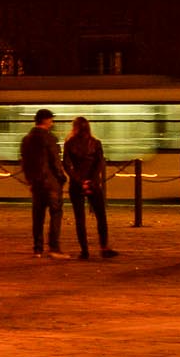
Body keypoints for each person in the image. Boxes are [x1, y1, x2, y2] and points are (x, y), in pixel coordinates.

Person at [65, 116, 116, 259]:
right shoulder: (96, 143)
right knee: (101, 216)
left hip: (76, 185)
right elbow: (99, 163)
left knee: (80, 218)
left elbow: (67, 165)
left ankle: (84, 251)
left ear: (74, 127)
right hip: (94, 184)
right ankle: (104, 247)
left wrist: (79, 181)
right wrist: (91, 180)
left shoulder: (69, 143)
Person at [20, 108, 65, 258]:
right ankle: (54, 248)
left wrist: (30, 181)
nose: (52, 123)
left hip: (36, 183)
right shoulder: (49, 138)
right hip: (51, 182)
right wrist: (61, 177)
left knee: (38, 216)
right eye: (51, 120)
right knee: (56, 213)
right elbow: (55, 161)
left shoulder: (26, 139)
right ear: (46, 120)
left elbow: (25, 163)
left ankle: (37, 249)